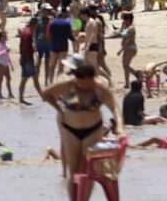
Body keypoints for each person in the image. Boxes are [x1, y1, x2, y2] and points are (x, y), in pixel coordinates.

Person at [39, 60, 119, 191]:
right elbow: (48, 93)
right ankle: (66, 172)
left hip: (85, 123)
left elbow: (113, 105)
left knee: (83, 162)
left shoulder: (95, 84)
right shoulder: (65, 81)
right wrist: (59, 108)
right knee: (66, 148)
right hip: (66, 117)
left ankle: (67, 175)